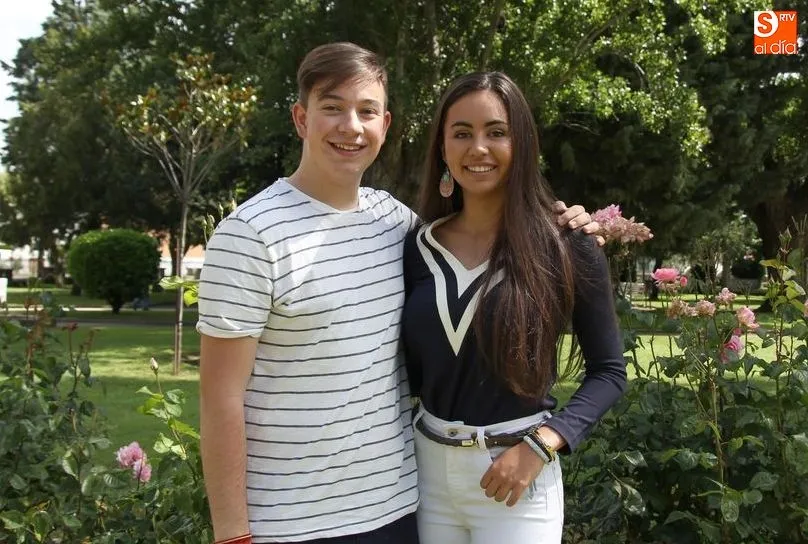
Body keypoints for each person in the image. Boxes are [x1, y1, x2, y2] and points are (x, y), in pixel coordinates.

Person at [197, 43, 597, 544]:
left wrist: (565, 225)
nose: (351, 126)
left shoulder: (396, 225)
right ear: (301, 119)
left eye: (367, 111)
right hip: (292, 523)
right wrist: (232, 534)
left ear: (384, 126)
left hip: (399, 510)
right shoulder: (250, 234)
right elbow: (220, 397)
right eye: (332, 107)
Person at [401, 72, 626, 543]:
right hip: (425, 477)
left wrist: (541, 445)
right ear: (442, 148)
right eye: (461, 133)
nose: (478, 148)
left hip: (517, 477)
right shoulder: (416, 247)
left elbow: (609, 372)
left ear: (521, 142)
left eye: (496, 132)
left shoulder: (567, 244)